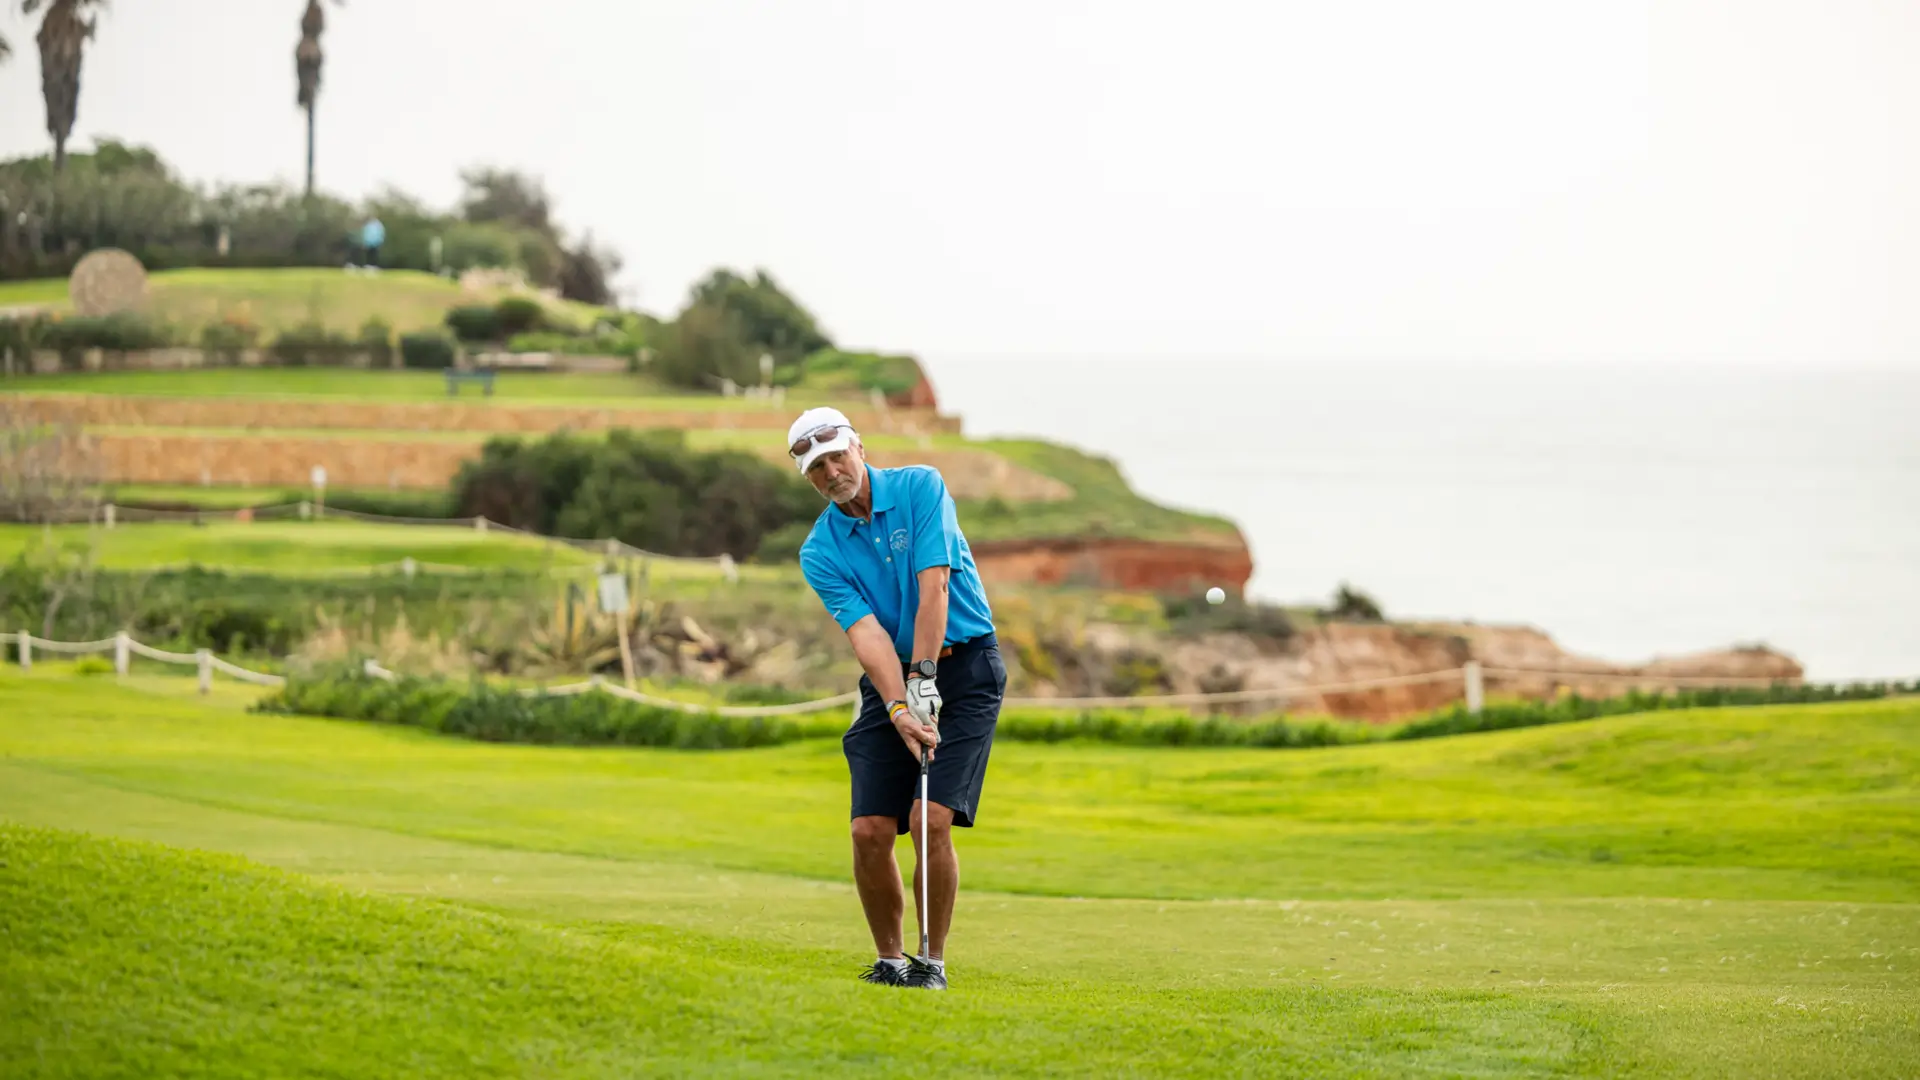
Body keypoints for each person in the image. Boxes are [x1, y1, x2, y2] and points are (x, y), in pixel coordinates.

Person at [789, 406, 1004, 992]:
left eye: (838, 456)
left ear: (858, 445)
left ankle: (930, 963)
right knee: (868, 831)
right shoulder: (820, 550)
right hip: (892, 682)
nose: (833, 471)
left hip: (964, 670)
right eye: (817, 468)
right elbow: (867, 636)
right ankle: (890, 961)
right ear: (808, 478)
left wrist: (925, 678)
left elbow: (932, 586)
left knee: (928, 816)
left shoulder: (920, 487)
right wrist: (899, 706)